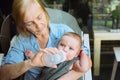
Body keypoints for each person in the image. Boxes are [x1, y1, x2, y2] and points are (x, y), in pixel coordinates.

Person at [0, 0, 92, 80]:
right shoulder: (21, 41)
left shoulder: (64, 32)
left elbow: (86, 64)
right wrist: (30, 63)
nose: (38, 26)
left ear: (45, 12)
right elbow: (2, 75)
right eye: (29, 23)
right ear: (22, 26)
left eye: (39, 17)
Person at [25, 32, 89, 80]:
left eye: (71, 48)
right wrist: (32, 55)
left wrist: (82, 52)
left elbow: (84, 67)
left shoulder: (73, 62)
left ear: (76, 54)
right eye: (62, 45)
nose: (65, 49)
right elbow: (41, 60)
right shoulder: (53, 55)